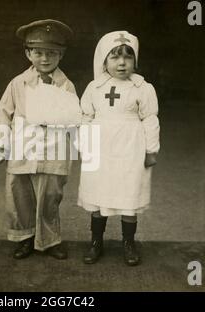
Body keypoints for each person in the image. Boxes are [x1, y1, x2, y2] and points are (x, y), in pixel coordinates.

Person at [0, 19, 80, 260]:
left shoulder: (66, 86)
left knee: (50, 195)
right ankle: (25, 237)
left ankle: (50, 239)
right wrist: (1, 140)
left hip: (53, 149)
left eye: (51, 53)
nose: (45, 59)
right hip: (24, 147)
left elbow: (74, 118)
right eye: (39, 52)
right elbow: (3, 113)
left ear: (61, 55)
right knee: (19, 193)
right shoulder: (17, 83)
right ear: (28, 53)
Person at [78, 31, 160, 266]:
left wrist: (151, 149)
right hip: (100, 146)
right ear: (104, 61)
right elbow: (85, 116)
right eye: (114, 57)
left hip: (130, 147)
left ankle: (128, 242)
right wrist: (85, 146)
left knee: (128, 194)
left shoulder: (142, 87)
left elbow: (150, 119)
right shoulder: (95, 87)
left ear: (135, 61)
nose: (122, 63)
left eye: (127, 57)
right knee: (97, 193)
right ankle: (96, 241)